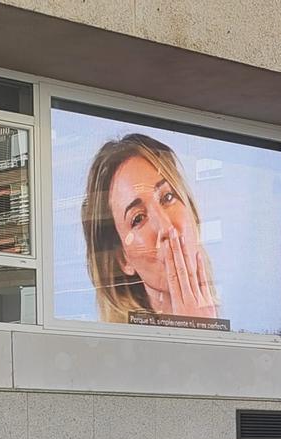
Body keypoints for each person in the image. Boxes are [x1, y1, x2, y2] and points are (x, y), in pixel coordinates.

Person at [81, 133, 220, 324]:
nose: (166, 227)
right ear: (122, 260)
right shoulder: (123, 349)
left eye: (167, 197)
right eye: (138, 219)